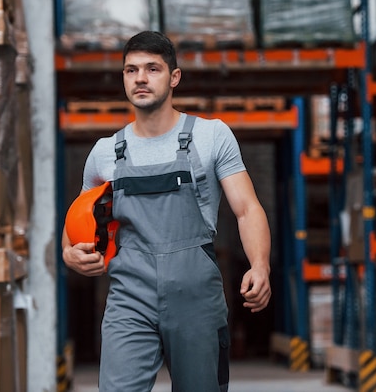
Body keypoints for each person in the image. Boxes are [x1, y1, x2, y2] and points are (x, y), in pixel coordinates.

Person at [62, 30, 272, 392]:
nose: (140, 78)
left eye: (152, 68)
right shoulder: (105, 152)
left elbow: (247, 209)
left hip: (195, 296)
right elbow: (78, 219)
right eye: (131, 70)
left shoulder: (211, 136)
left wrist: (260, 264)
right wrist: (70, 254)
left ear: (174, 77)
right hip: (130, 296)